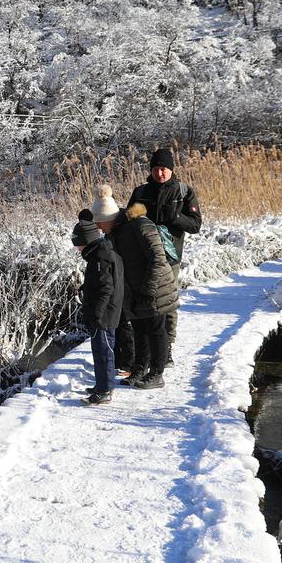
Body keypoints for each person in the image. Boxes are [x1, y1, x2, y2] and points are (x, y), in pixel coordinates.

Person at [129, 148, 201, 347]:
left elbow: (195, 225)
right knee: (143, 299)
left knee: (168, 301)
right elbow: (129, 221)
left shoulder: (183, 191)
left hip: (170, 257)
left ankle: (167, 343)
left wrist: (175, 217)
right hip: (143, 257)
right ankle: (146, 345)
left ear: (171, 169)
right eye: (156, 169)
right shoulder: (141, 192)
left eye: (164, 169)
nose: (160, 173)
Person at [110, 200, 178, 389]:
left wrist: (148, 289)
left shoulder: (141, 225)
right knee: (140, 329)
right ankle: (140, 369)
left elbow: (158, 258)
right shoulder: (117, 232)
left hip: (155, 287)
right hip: (137, 289)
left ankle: (157, 374)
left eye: (101, 222)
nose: (100, 227)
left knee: (156, 330)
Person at [73, 206, 123, 406]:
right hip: (105, 313)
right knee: (100, 350)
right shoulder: (101, 254)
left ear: (87, 241)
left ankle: (105, 390)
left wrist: (98, 314)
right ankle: (101, 384)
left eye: (79, 245)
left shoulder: (100, 258)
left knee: (104, 352)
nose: (78, 249)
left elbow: (105, 288)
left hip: (104, 315)